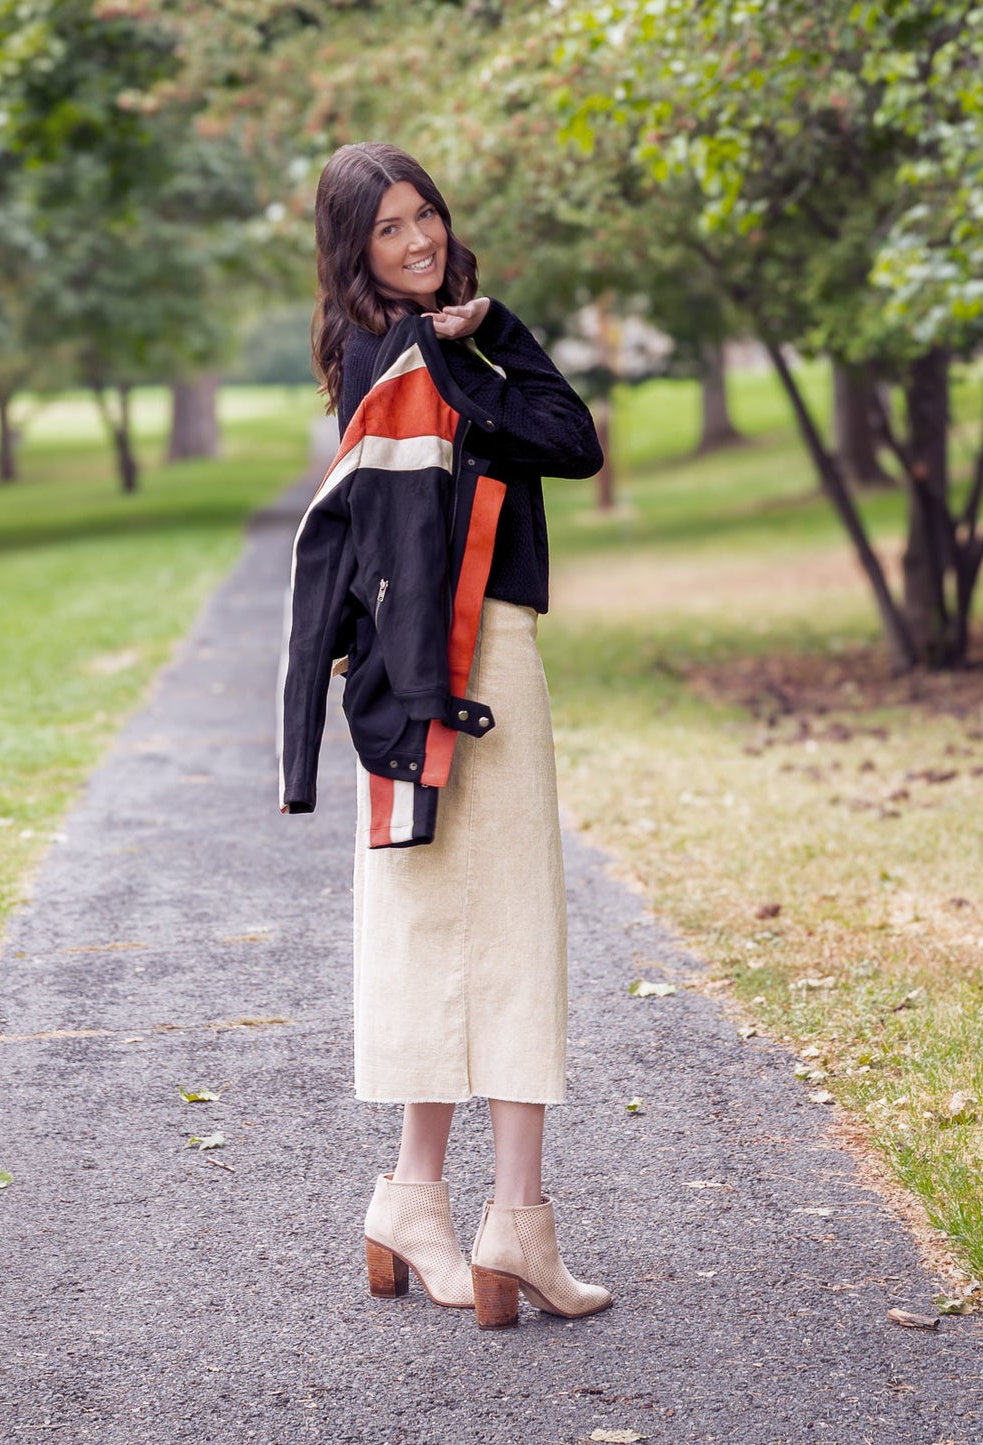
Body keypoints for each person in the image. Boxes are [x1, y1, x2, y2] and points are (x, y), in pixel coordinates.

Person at [284, 140, 610, 1330]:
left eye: (424, 215)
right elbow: (564, 444)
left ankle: (414, 1197)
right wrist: (470, 351)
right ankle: (509, 1218)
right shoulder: (402, 352)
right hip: (467, 664)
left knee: (442, 930)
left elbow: (564, 435)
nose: (418, 240)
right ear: (351, 249)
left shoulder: (410, 340)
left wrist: (485, 332)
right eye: (388, 229)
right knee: (508, 931)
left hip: (426, 676)